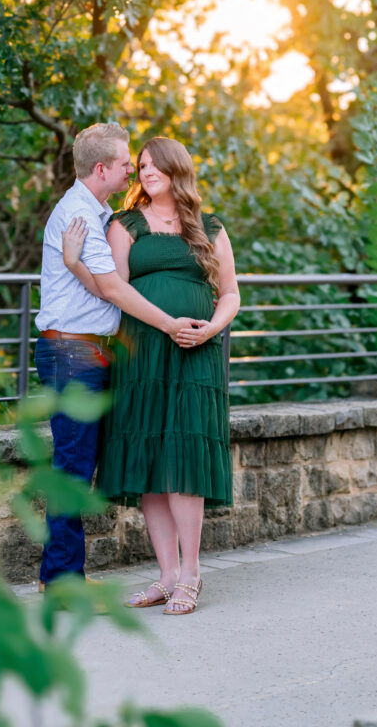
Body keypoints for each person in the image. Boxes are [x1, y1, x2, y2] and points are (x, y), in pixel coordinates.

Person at [63, 136, 240, 615]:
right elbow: (110, 288)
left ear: (175, 168)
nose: (144, 172)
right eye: (139, 166)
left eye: (152, 165)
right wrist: (75, 263)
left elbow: (230, 295)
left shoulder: (210, 227)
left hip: (195, 354)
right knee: (150, 464)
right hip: (141, 356)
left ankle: (192, 574)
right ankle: (165, 576)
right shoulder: (126, 224)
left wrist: (211, 332)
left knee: (183, 456)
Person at [35, 123, 199, 589]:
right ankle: (62, 581)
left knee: (82, 465)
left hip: (92, 352)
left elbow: (104, 286)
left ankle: (63, 576)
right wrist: (169, 324)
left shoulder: (99, 210)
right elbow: (112, 288)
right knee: (73, 469)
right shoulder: (77, 214)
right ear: (102, 167)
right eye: (128, 162)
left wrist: (73, 265)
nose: (133, 168)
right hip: (72, 352)